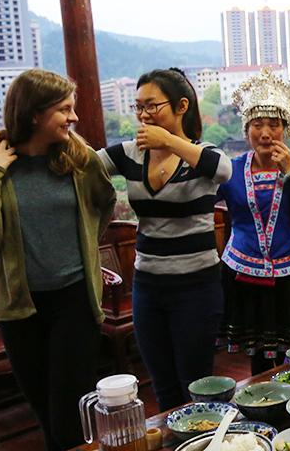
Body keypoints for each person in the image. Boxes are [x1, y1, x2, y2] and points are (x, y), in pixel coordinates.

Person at [0, 69, 116, 450]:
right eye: (65, 109)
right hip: (19, 305)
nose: (74, 117)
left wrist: (83, 249)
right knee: (46, 411)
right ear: (34, 113)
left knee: (70, 410)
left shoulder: (79, 157)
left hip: (75, 300)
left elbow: (106, 202)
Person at [97, 68, 232, 411]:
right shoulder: (131, 154)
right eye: (138, 107)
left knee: (196, 382)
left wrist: (169, 141)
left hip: (196, 287)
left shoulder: (200, 154)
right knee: (162, 383)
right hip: (148, 286)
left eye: (151, 106)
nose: (143, 115)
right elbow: (82, 164)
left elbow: (223, 170)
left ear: (181, 106)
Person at [216, 69, 290, 374]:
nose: (265, 133)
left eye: (273, 124)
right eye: (257, 124)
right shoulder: (232, 169)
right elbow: (200, 195)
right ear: (246, 129)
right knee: (259, 356)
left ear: (285, 129)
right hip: (245, 272)